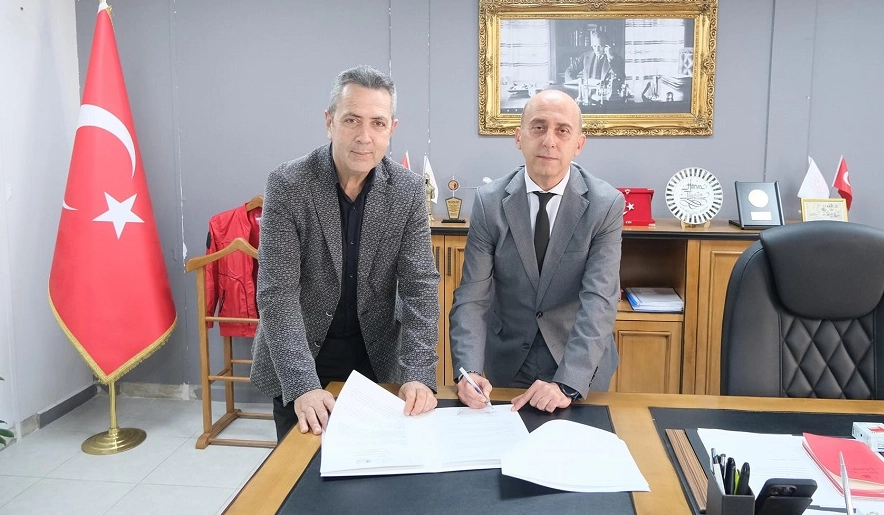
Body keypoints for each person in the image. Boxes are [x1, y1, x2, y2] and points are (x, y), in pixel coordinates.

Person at [250, 65, 439, 439]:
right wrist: (304, 385)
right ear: (329, 122)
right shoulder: (289, 184)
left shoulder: (407, 190)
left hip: (376, 361)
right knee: (300, 470)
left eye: (377, 123)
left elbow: (420, 287)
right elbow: (277, 293)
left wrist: (418, 373)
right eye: (352, 120)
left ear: (391, 129)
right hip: (300, 360)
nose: (364, 137)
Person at [449, 89, 624, 413]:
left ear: (579, 144)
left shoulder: (605, 205)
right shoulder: (489, 202)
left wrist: (567, 383)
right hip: (507, 361)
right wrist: (469, 371)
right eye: (538, 127)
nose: (549, 141)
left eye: (562, 130)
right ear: (519, 137)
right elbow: (473, 297)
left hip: (578, 362)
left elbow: (599, 301)